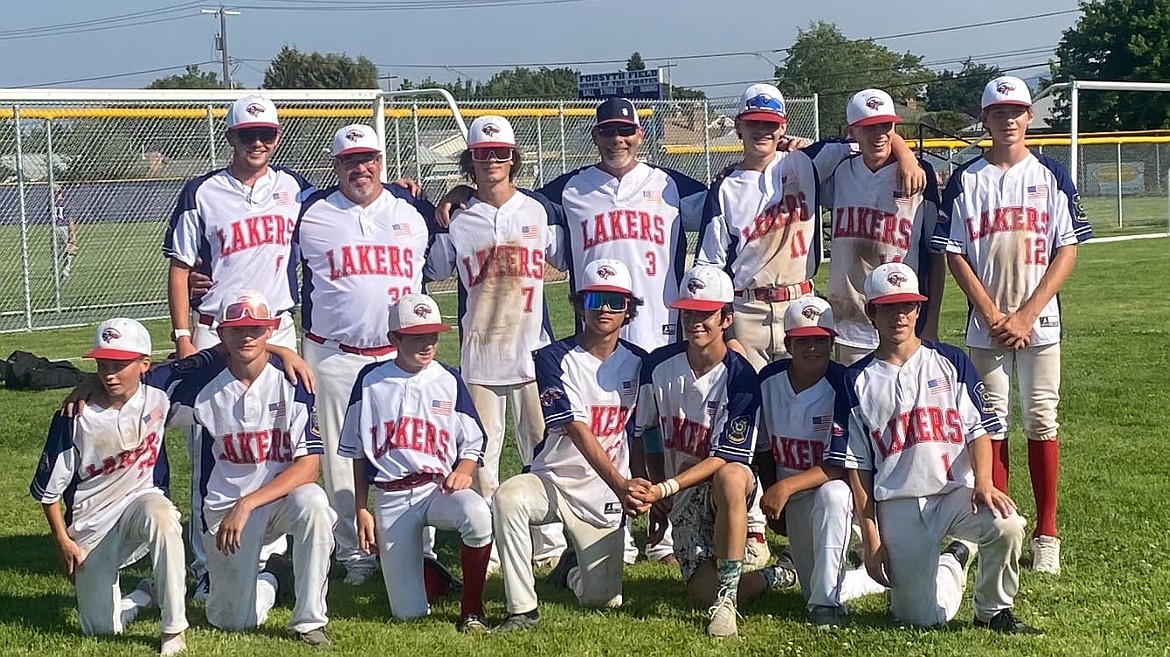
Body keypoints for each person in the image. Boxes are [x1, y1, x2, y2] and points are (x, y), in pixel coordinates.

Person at [932, 76, 1093, 575]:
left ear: (1029, 117)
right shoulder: (966, 178)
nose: (1009, 120)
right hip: (988, 323)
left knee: (1042, 417)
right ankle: (1003, 523)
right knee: (991, 420)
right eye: (999, 113)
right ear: (985, 120)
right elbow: (955, 251)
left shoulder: (1051, 174)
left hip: (1039, 319)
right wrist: (989, 311)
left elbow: (1068, 247)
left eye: (1017, 111)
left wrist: (1025, 313)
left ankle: (1047, 532)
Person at [836, 262, 1041, 634]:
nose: (900, 315)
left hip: (955, 493)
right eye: (888, 306)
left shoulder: (951, 361)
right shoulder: (856, 380)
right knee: (921, 619)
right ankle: (955, 559)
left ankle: (992, 611)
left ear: (919, 309)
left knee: (1007, 524)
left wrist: (984, 481)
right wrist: (870, 536)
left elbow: (979, 429)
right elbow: (858, 467)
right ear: (871, 311)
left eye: (908, 306)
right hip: (898, 503)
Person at [162, 94, 312, 596]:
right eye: (248, 134)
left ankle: (279, 550)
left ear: (277, 136)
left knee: (282, 438)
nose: (258, 142)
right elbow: (181, 268)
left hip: (276, 326)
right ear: (230, 137)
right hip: (217, 328)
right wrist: (183, 336)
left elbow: (346, 200)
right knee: (210, 444)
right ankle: (207, 557)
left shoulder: (294, 188)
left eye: (266, 133)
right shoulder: (203, 191)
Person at [294, 123, 442, 586]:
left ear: (381, 161)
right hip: (334, 354)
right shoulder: (311, 213)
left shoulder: (410, 211)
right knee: (341, 455)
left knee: (416, 447)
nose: (362, 168)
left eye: (369, 159)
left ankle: (418, 547)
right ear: (335, 165)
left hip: (401, 353)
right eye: (350, 161)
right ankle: (354, 553)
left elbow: (438, 263)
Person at [696, 82, 926, 370]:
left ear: (783, 128)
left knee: (810, 397)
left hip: (800, 301)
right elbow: (711, 265)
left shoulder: (807, 161)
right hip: (747, 310)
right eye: (753, 123)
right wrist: (728, 331)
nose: (762, 130)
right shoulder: (725, 187)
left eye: (770, 124)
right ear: (738, 126)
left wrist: (905, 155)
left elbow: (870, 134)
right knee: (752, 402)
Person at [424, 115, 567, 569]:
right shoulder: (460, 220)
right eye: (482, 155)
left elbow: (565, 256)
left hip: (533, 351)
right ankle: (487, 545)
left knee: (542, 447)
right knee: (481, 455)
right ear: (470, 161)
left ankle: (547, 541)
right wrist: (439, 210)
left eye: (501, 153)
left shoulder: (537, 210)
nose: (492, 162)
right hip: (480, 352)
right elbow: (434, 270)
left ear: (514, 159)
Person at [630, 265, 798, 638]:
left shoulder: (742, 377)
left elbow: (727, 456)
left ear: (726, 318)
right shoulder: (658, 364)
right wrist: (655, 489)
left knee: (732, 475)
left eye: (705, 313)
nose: (695, 321)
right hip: (680, 491)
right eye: (688, 312)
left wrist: (664, 489)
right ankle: (777, 574)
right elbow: (648, 432)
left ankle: (727, 599)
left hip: (721, 484)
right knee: (695, 591)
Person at [167, 290, 336, 646]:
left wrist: (249, 503)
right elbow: (143, 390)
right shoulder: (201, 384)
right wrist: (92, 383)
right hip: (225, 511)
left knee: (315, 503)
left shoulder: (294, 381)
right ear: (222, 333)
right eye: (237, 329)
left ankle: (309, 619)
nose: (247, 336)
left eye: (256, 329)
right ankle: (273, 577)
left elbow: (308, 468)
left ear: (270, 329)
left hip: (274, 503)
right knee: (231, 621)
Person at [491, 259, 650, 633]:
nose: (605, 309)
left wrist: (645, 486)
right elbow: (576, 428)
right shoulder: (550, 358)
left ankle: (572, 571)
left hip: (604, 495)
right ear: (579, 305)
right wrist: (621, 484)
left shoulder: (640, 362)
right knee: (507, 498)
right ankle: (521, 610)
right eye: (595, 299)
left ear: (629, 308)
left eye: (615, 300)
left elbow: (644, 431)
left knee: (602, 601)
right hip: (554, 480)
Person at [31, 318, 188, 656]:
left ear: (144, 364)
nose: (109, 374)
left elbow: (219, 357)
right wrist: (62, 541)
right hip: (91, 526)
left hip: (138, 505)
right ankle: (144, 595)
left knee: (163, 516)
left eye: (120, 364)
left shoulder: (160, 395)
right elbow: (48, 493)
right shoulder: (74, 416)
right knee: (101, 631)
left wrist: (281, 351)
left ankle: (174, 629)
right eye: (102, 365)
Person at [339, 293, 493, 632]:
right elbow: (358, 452)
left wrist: (464, 470)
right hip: (391, 496)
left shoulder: (448, 378)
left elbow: (475, 439)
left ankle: (472, 611)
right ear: (394, 338)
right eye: (416, 336)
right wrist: (362, 508)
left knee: (479, 515)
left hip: (438, 489)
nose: (427, 343)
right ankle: (435, 576)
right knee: (408, 614)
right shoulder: (370, 381)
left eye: (433, 335)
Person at [754, 297, 886, 629]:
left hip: (831, 497)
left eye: (820, 339)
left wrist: (783, 487)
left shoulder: (843, 383)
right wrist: (774, 494)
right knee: (813, 584)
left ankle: (827, 606)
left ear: (832, 342)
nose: (812, 347)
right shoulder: (768, 380)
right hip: (793, 499)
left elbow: (841, 464)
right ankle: (870, 579)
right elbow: (765, 449)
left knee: (835, 493)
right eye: (803, 339)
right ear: (788, 343)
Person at [818, 89, 944, 365]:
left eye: (886, 126)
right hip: (847, 323)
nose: (879, 134)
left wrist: (931, 322)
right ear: (853, 132)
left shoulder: (919, 175)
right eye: (868, 127)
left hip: (902, 322)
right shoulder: (839, 171)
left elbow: (935, 254)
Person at [51, 183, 80, 283]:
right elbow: (70, 220)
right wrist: (72, 234)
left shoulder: (51, 204)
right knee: (69, 249)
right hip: (63, 227)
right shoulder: (65, 203)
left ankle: (54, 269)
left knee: (57, 250)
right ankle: (66, 270)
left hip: (53, 228)